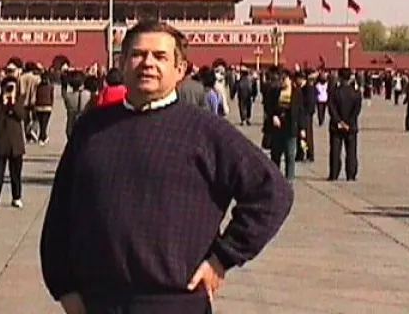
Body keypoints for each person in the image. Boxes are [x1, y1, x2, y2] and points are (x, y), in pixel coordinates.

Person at [40, 20, 293, 314]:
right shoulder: (92, 128)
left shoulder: (206, 131)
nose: (147, 63)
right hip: (98, 301)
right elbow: (58, 216)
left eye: (160, 56)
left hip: (175, 302)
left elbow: (273, 191)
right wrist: (64, 289)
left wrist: (222, 258)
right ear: (122, 64)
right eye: (138, 54)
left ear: (180, 70)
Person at [0, 75, 26, 210]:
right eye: (7, 87)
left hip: (15, 144)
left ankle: (16, 197)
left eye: (12, 87)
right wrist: (2, 103)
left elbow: (22, 115)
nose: (9, 90)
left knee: (16, 174)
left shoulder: (19, 99)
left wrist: (13, 102)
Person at [327, 69, 362, 181]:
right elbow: (356, 110)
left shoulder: (334, 92)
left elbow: (331, 108)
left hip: (336, 127)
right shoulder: (356, 93)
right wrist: (348, 123)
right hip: (351, 127)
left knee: (335, 151)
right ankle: (351, 174)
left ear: (339, 77)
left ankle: (334, 174)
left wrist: (339, 122)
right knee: (351, 151)